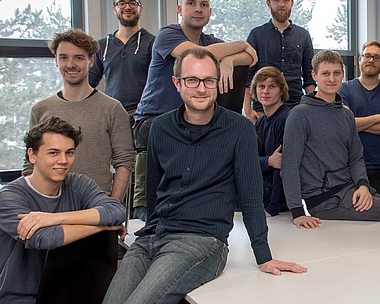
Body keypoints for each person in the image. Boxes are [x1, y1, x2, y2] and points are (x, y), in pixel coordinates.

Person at [103, 48, 305, 304]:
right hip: (152, 238)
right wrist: (148, 232)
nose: (201, 88)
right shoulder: (160, 129)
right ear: (177, 83)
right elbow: (153, 191)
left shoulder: (239, 130)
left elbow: (252, 196)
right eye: (192, 80)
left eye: (209, 81)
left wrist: (263, 255)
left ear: (218, 83)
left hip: (201, 242)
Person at [130, 0, 258, 220]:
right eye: (191, 4)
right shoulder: (167, 35)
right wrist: (239, 45)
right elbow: (196, 56)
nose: (198, 9)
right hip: (152, 121)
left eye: (204, 5)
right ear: (180, 8)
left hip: (189, 120)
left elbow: (252, 57)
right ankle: (151, 214)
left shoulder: (212, 41)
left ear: (210, 12)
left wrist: (229, 59)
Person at [0, 117, 126, 303]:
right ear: (32, 155)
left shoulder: (80, 184)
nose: (63, 161)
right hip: (19, 299)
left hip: (69, 294)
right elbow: (44, 238)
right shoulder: (7, 197)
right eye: (53, 153)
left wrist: (55, 218)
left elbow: (116, 211)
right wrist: (103, 227)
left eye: (69, 153)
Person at [281, 50, 380, 230]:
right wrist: (297, 212)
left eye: (336, 73)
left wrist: (363, 185)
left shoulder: (346, 115)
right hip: (326, 200)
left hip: (350, 190)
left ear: (343, 75)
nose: (332, 79)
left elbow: (356, 157)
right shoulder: (300, 115)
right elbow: (290, 164)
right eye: (325, 73)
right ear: (314, 76)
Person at [26, 28, 134, 202]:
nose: (71, 64)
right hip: (49, 208)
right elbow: (30, 164)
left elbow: (125, 161)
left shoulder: (112, 109)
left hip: (96, 206)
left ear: (91, 61)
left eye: (78, 57)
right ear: (56, 61)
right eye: (64, 57)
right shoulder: (40, 110)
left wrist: (112, 207)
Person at [88, 0, 155, 221]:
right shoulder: (102, 46)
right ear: (114, 8)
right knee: (118, 168)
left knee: (140, 167)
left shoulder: (152, 43)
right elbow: (90, 82)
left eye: (133, 3)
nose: (127, 7)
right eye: (122, 3)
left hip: (143, 115)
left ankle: (139, 216)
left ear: (140, 9)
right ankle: (115, 217)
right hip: (113, 115)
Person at [244, 0, 315, 123]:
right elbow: (248, 77)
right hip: (262, 109)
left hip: (296, 107)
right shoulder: (256, 35)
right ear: (268, 3)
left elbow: (309, 77)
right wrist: (247, 110)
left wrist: (312, 108)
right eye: (276, 0)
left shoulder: (303, 35)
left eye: (285, 0)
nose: (281, 4)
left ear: (292, 3)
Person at [338, 41, 380, 200]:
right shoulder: (345, 89)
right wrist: (378, 118)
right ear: (359, 59)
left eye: (377, 57)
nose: (371, 60)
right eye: (367, 56)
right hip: (351, 164)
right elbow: (345, 125)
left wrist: (357, 123)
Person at [251, 66, 290, 217]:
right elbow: (251, 161)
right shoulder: (261, 122)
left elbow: (282, 168)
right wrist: (268, 161)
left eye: (272, 86)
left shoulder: (286, 120)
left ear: (281, 91)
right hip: (261, 190)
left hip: (276, 199)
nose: (265, 91)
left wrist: (272, 209)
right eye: (261, 86)